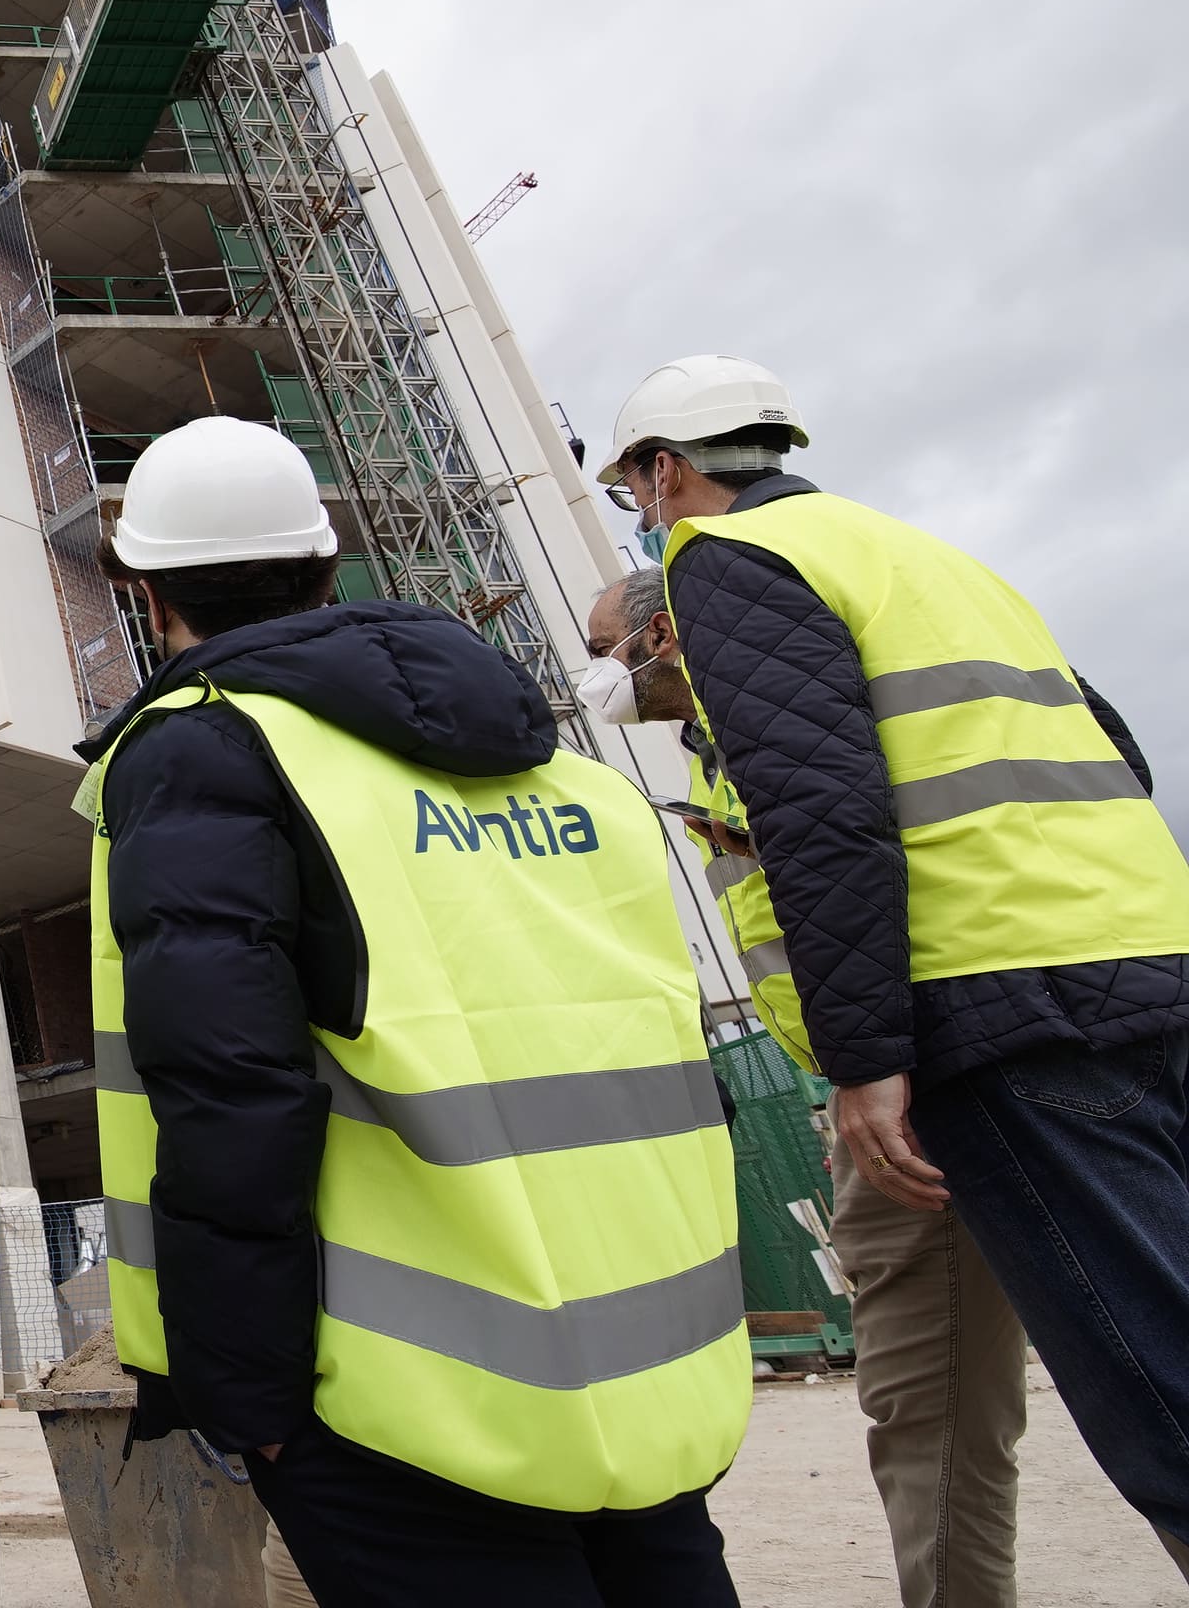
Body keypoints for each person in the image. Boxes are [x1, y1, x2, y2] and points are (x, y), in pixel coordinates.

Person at [83, 416, 748, 1608]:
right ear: (326, 567)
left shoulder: (202, 750)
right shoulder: (564, 773)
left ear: (144, 591)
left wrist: (244, 1395)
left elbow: (226, 1088)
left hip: (407, 1402)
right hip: (643, 1369)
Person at [605, 353, 1189, 1571]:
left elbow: (825, 811)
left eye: (636, 493)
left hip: (991, 1020)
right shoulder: (924, 557)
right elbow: (1116, 750)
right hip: (1140, 963)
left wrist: (868, 1057)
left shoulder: (721, 561)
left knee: (1158, 1393)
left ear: (667, 472)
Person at [586, 564, 1031, 1607]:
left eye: (610, 647)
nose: (602, 671)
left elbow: (848, 863)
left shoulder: (781, 717)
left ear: (662, 635)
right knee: (928, 1403)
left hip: (923, 1070)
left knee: (1050, 1371)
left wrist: (870, 1065)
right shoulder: (715, 757)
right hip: (882, 1086)